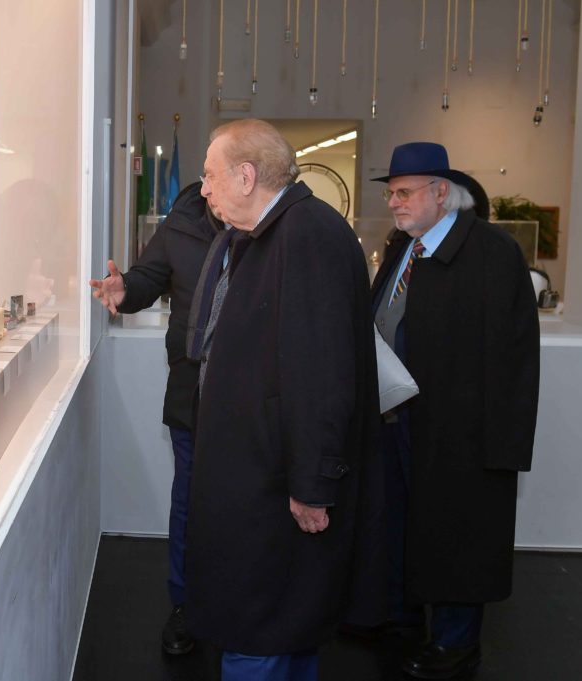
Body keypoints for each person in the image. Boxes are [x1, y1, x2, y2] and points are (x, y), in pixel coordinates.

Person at [184, 118, 384, 681]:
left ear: (246, 176)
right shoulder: (270, 235)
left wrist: (313, 484)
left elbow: (321, 374)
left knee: (264, 630)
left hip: (277, 489)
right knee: (280, 628)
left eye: (210, 175)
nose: (204, 189)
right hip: (260, 480)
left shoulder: (306, 236)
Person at [370, 142, 540, 679]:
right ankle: (403, 618)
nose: (393, 203)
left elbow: (514, 356)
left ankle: (455, 642)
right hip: (398, 418)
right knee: (402, 525)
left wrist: (503, 443)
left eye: (404, 192)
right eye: (391, 193)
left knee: (458, 534)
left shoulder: (491, 252)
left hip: (461, 432)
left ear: (441, 192)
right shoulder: (404, 246)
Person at [88, 180, 222, 655]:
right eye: (207, 175)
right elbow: (149, 276)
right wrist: (125, 289)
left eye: (217, 173)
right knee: (189, 499)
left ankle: (241, 604)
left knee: (248, 506)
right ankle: (186, 605)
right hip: (192, 391)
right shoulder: (183, 222)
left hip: (257, 400)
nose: (208, 184)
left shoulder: (274, 227)